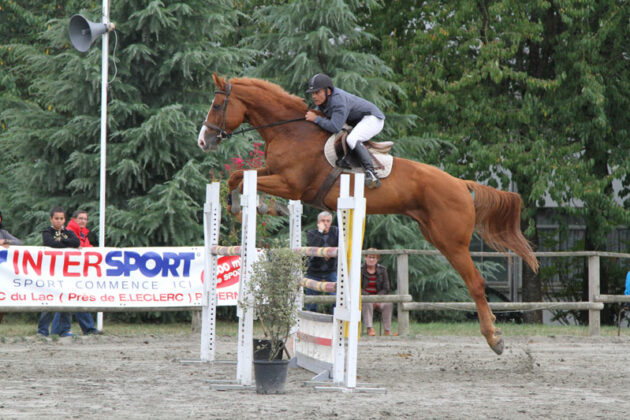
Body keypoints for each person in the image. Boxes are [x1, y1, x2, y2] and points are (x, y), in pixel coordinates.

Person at [305, 73, 385, 189]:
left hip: (373, 119)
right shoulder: (324, 102)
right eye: (313, 93)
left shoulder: (338, 101)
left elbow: (334, 127)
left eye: (317, 92)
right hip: (359, 121)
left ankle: (371, 173)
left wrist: (316, 119)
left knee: (352, 138)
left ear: (328, 92)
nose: (314, 96)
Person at [58, 209, 103, 335]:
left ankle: (84, 328)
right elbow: (73, 245)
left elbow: (85, 247)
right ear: (74, 219)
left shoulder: (81, 233)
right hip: (68, 270)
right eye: (81, 218)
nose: (83, 221)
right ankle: (63, 330)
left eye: (85, 219)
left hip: (77, 270)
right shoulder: (69, 231)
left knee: (74, 298)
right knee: (65, 299)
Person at [304, 211, 339, 312]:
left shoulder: (336, 231)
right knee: (311, 301)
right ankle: (310, 321)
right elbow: (314, 245)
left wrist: (330, 253)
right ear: (318, 222)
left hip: (330, 271)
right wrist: (320, 231)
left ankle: (335, 320)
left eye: (328, 221)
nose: (325, 223)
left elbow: (343, 245)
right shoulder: (312, 233)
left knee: (336, 297)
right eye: (323, 221)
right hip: (314, 271)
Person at [361, 249, 395, 336]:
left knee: (388, 304)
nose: (371, 260)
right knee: (367, 302)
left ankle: (387, 330)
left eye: (374, 257)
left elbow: (386, 288)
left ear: (377, 259)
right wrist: (370, 298)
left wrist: (377, 298)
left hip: (379, 299)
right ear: (365, 258)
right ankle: (370, 328)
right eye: (369, 257)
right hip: (365, 298)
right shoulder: (360, 270)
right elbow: (357, 288)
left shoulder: (383, 270)